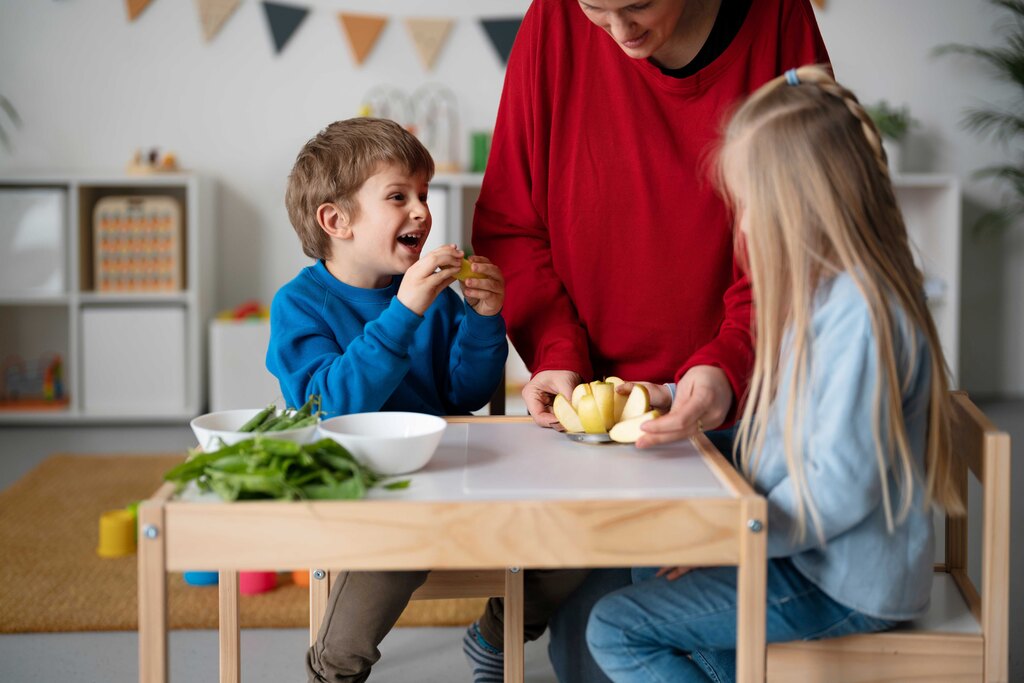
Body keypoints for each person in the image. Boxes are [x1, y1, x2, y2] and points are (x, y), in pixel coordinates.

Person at [471, 0, 829, 679]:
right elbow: (511, 227)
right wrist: (556, 354)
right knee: (600, 659)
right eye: (597, 11)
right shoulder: (554, 20)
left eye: (636, 7)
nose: (618, 32)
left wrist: (729, 363)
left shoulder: (779, 18)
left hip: (740, 412)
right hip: (595, 427)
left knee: (714, 654)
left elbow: (805, 226)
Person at [584, 65, 966, 683]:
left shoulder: (863, 316)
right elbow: (793, 421)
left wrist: (730, 538)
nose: (742, 226)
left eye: (749, 207)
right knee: (648, 567)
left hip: (841, 581)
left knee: (616, 628)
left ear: (803, 209)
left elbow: (838, 486)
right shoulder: (829, 295)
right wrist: (678, 398)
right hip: (815, 553)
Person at [266, 117, 512, 682]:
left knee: (562, 539)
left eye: (422, 194)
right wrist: (404, 313)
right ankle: (333, 669)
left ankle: (496, 636)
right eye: (398, 196)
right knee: (396, 548)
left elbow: (465, 395)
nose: (422, 211)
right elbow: (329, 405)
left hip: (443, 471)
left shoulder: (435, 297)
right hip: (363, 486)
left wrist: (483, 321)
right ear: (336, 220)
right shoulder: (299, 306)